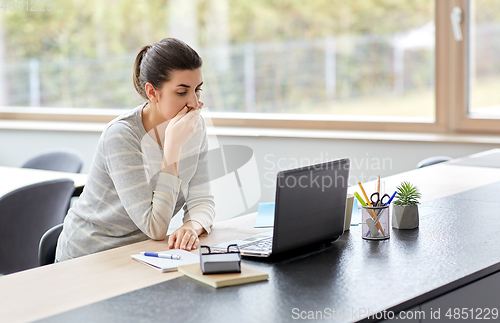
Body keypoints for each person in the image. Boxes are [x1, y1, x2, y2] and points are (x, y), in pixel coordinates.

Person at [55, 38, 215, 261]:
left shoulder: (194, 127)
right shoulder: (121, 136)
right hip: (91, 255)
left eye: (197, 90)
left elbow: (202, 198)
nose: (194, 102)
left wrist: (192, 226)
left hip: (141, 252)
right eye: (181, 92)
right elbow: (155, 227)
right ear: (152, 92)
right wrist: (172, 150)